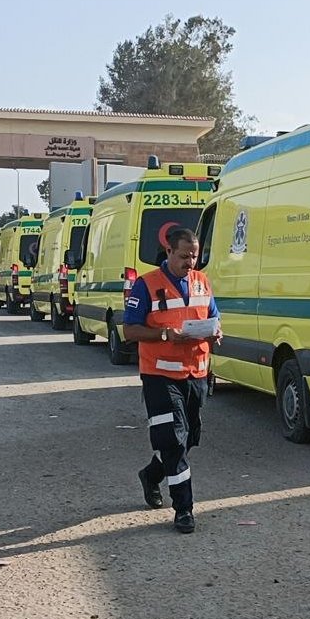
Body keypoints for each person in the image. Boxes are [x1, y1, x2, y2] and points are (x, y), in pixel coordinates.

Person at [123, 228, 221, 534]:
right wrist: (165, 333)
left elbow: (214, 318)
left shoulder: (202, 282)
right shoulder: (146, 285)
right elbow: (129, 331)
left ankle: (152, 475)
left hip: (196, 373)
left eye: (194, 256)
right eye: (184, 256)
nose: (190, 262)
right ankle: (184, 509)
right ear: (168, 252)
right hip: (160, 375)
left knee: (188, 437)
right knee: (174, 441)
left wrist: (216, 332)